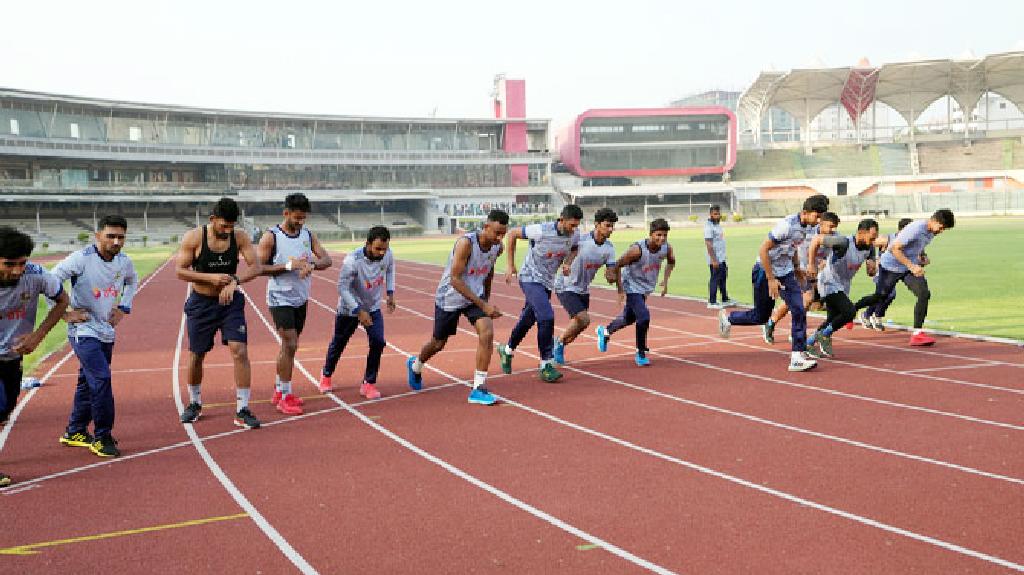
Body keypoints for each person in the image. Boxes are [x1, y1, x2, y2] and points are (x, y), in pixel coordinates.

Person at [53, 215, 138, 458]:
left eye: (121, 237)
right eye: (110, 236)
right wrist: (65, 313)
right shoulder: (81, 259)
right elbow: (51, 281)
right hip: (83, 330)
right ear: (98, 235)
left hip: (106, 329)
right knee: (101, 378)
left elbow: (132, 281)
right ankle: (102, 436)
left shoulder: (124, 262)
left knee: (86, 380)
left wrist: (124, 307)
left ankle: (75, 430)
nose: (116, 241)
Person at [175, 198, 263, 429]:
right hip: (201, 303)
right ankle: (194, 403)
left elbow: (256, 267)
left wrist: (235, 280)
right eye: (224, 226)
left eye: (231, 226)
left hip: (230, 302)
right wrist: (210, 278)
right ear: (212, 219)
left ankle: (242, 409)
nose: (227, 230)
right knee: (197, 354)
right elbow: (180, 271)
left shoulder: (240, 237)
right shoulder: (194, 238)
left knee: (239, 350)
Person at [718, 194, 830, 372]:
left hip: (785, 272)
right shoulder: (786, 225)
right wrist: (771, 279)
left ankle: (797, 356)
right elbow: (763, 249)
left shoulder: (808, 228)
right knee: (761, 316)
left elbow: (792, 247)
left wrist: (796, 268)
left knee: (799, 308)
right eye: (817, 216)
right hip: (764, 270)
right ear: (805, 212)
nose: (818, 221)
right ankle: (729, 318)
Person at [407, 210, 508, 405]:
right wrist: (484, 305)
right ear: (486, 227)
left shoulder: (497, 247)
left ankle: (478, 388)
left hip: (474, 297)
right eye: (496, 232)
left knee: (487, 333)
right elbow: (455, 280)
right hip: (451, 297)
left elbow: (489, 271)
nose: (499, 238)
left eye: (503, 234)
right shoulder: (466, 244)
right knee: (438, 343)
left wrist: (485, 299)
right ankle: (416, 365)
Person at [0, 227, 69, 486]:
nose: (18, 270)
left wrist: (38, 335)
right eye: (9, 264)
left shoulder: (36, 276)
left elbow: (62, 300)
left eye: (22, 263)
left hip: (11, 358)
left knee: (5, 410)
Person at [257, 193, 332, 415]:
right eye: (297, 218)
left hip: (301, 297)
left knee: (289, 346)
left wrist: (313, 265)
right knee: (290, 344)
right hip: (280, 297)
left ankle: (279, 389)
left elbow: (326, 259)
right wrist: (288, 266)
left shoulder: (308, 235)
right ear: (286, 213)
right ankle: (286, 396)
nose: (300, 222)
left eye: (303, 218)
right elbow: (259, 268)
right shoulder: (271, 237)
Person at [497, 205, 583, 383]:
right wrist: (510, 264)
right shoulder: (540, 230)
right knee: (546, 316)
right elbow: (512, 234)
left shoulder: (574, 235)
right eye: (571, 225)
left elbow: (575, 248)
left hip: (546, 282)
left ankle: (507, 350)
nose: (573, 229)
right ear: (561, 220)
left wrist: (567, 263)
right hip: (529, 278)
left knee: (529, 318)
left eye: (576, 225)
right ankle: (546, 364)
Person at [859, 209, 954, 346]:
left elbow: (915, 247)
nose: (941, 231)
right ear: (934, 221)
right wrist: (912, 266)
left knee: (924, 294)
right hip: (890, 267)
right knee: (881, 296)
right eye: (941, 227)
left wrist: (920, 260)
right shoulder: (916, 228)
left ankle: (917, 334)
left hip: (907, 268)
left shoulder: (931, 232)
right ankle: (854, 310)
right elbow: (894, 249)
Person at [321, 226, 394, 399]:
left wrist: (390, 293)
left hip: (373, 306)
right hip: (349, 308)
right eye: (378, 249)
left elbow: (390, 270)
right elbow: (342, 288)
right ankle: (326, 374)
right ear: (367, 244)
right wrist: (357, 310)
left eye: (384, 249)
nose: (381, 253)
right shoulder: (352, 260)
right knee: (339, 343)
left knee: (378, 342)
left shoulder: (387, 254)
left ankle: (368, 383)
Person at [595, 218, 676, 366]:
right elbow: (617, 265)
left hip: (645, 286)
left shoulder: (666, 248)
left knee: (630, 317)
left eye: (665, 235)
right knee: (644, 317)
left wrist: (665, 281)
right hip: (631, 286)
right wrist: (620, 289)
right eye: (658, 235)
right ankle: (641, 352)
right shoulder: (637, 250)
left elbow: (671, 262)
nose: (662, 238)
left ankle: (605, 332)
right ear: (651, 234)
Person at [803, 219, 880, 358]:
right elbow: (816, 240)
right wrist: (811, 264)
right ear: (861, 233)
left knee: (832, 319)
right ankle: (825, 335)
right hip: (828, 281)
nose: (874, 241)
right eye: (872, 237)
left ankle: (808, 343)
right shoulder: (842, 242)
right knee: (849, 312)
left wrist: (872, 268)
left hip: (844, 285)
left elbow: (871, 271)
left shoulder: (869, 248)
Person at [552, 208, 619, 365]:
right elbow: (564, 253)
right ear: (597, 224)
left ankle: (560, 343)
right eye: (607, 225)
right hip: (565, 285)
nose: (610, 230)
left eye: (612, 226)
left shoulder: (609, 249)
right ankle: (559, 343)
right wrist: (565, 264)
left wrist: (611, 276)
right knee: (584, 319)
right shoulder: (581, 241)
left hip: (583, 289)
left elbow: (611, 272)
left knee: (579, 326)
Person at [762, 211, 839, 344]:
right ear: (821, 223)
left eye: (835, 227)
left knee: (795, 302)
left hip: (815, 272)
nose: (833, 230)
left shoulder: (835, 237)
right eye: (830, 226)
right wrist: (801, 265)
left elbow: (833, 255)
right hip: (797, 269)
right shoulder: (808, 231)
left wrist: (825, 262)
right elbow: (793, 246)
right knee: (807, 298)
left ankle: (771, 323)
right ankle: (796, 331)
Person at [859, 218, 914, 331]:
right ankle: (876, 316)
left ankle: (867, 314)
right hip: (882, 271)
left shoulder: (912, 241)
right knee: (889, 294)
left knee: (883, 295)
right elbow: (870, 243)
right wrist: (871, 261)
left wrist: (922, 261)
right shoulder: (888, 239)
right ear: (903, 230)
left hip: (896, 272)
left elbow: (924, 259)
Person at [704, 205, 735, 309]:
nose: (717, 216)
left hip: (721, 258)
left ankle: (725, 299)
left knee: (723, 278)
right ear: (711, 214)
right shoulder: (709, 226)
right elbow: (708, 244)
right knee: (715, 278)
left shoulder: (718, 225)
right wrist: (714, 260)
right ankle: (712, 301)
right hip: (715, 259)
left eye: (718, 213)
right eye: (715, 214)